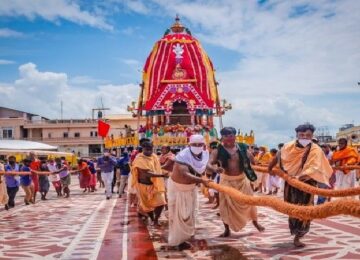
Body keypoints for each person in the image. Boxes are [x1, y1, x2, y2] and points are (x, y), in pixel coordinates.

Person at [268, 123, 333, 247]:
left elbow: (314, 167)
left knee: (306, 210)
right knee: (292, 209)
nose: (305, 137)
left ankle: (299, 236)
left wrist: (300, 178)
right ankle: (295, 230)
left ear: (312, 136)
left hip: (307, 185)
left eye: (308, 135)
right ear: (297, 134)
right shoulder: (288, 146)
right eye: (302, 134)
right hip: (290, 184)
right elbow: (277, 157)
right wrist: (270, 168)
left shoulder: (315, 149)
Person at [208, 127, 264, 238]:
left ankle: (255, 223)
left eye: (231, 135)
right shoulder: (217, 150)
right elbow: (208, 163)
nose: (229, 138)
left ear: (235, 136)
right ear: (222, 137)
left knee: (250, 203)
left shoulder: (242, 148)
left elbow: (253, 161)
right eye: (226, 136)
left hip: (242, 180)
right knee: (225, 206)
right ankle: (226, 229)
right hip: (226, 181)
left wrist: (259, 163)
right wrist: (215, 169)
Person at [168, 135, 211, 250]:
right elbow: (185, 173)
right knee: (179, 216)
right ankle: (176, 241)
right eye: (194, 145)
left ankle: (184, 239)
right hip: (178, 189)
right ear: (189, 145)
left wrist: (215, 170)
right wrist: (201, 180)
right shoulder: (183, 156)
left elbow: (206, 165)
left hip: (190, 189)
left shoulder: (204, 154)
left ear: (203, 145)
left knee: (190, 215)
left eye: (200, 144)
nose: (197, 147)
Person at [131, 141, 167, 226]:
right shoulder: (139, 159)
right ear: (142, 149)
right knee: (147, 205)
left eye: (151, 150)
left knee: (161, 202)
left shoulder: (154, 156)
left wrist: (164, 172)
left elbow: (157, 168)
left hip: (155, 185)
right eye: (147, 150)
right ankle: (151, 218)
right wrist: (161, 175)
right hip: (143, 185)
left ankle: (155, 220)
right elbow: (147, 173)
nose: (149, 152)